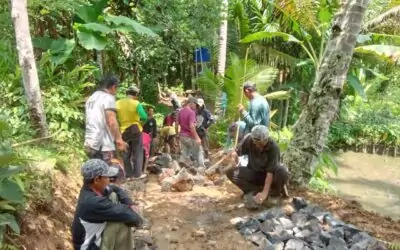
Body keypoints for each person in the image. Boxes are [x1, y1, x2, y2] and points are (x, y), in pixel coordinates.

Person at [71, 159, 143, 250]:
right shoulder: (92, 202)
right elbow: (130, 216)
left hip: (93, 239)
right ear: (97, 179)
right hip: (89, 247)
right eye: (107, 177)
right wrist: (138, 218)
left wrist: (129, 203)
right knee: (120, 223)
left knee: (113, 195)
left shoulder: (91, 188)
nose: (109, 180)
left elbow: (115, 188)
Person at [226, 125, 289, 206]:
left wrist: (265, 193)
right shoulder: (249, 139)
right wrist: (233, 160)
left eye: (261, 144)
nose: (258, 146)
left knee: (282, 170)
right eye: (256, 143)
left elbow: (270, 173)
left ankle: (273, 194)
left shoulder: (274, 148)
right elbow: (235, 152)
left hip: (269, 175)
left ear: (267, 139)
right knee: (231, 172)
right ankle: (254, 191)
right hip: (254, 173)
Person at [84, 74, 127, 165]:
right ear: (113, 87)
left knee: (95, 174)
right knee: (106, 175)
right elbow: (111, 121)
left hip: (90, 142)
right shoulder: (108, 98)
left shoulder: (91, 98)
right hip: (103, 145)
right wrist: (119, 140)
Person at [116, 86, 147, 179]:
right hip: (135, 130)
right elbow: (144, 117)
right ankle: (138, 174)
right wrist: (140, 123)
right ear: (136, 94)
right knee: (137, 152)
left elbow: (113, 116)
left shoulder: (118, 103)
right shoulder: (136, 103)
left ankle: (129, 175)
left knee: (126, 153)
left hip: (123, 131)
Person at [176, 97, 205, 170]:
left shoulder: (180, 111)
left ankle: (182, 168)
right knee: (199, 152)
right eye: (195, 105)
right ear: (191, 103)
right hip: (189, 136)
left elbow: (176, 124)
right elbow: (192, 126)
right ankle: (201, 168)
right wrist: (197, 138)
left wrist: (177, 134)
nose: (196, 107)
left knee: (185, 153)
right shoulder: (191, 112)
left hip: (182, 136)